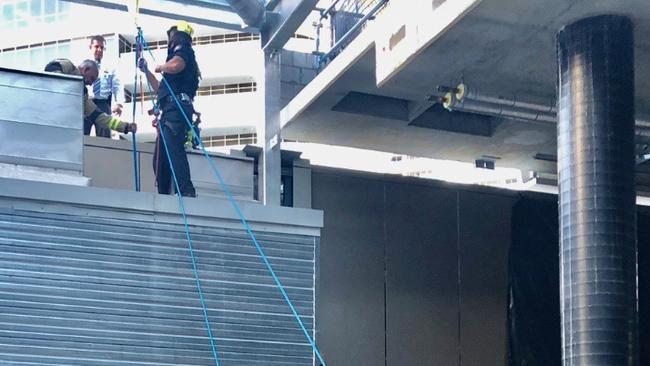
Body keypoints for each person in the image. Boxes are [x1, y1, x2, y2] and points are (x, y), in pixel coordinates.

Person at [139, 20, 199, 197]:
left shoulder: (182, 49)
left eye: (171, 36)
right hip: (172, 110)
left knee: (174, 152)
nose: (169, 41)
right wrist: (147, 71)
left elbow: (176, 65)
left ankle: (186, 192)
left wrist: (161, 67)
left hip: (176, 110)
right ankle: (165, 194)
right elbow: (161, 89)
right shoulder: (180, 60)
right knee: (161, 160)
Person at [44, 58, 137, 135]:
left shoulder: (82, 95)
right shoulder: (69, 67)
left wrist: (125, 126)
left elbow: (99, 117)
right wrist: (68, 88)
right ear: (86, 69)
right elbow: (51, 70)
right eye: (92, 78)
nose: (90, 83)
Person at [86, 35, 125, 137]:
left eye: (102, 48)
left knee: (104, 137)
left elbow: (117, 85)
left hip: (103, 104)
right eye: (96, 46)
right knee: (82, 136)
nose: (99, 50)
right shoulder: (84, 65)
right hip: (86, 102)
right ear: (90, 47)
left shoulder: (110, 66)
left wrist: (119, 103)